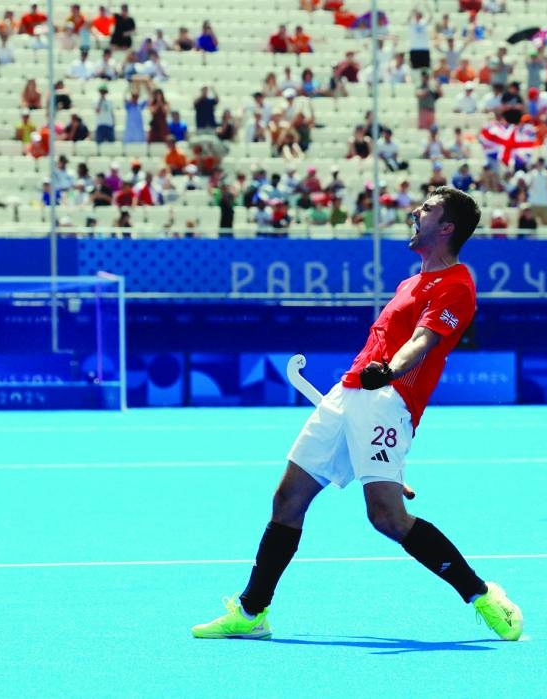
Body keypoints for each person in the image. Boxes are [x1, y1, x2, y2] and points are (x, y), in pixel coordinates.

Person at [191, 187, 523, 642]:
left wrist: (388, 371)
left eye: (427, 209)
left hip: (387, 398)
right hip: (346, 395)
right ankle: (252, 612)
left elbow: (422, 343)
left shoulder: (457, 285)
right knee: (287, 500)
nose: (414, 212)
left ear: (447, 227)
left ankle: (481, 595)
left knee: (387, 518)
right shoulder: (410, 283)